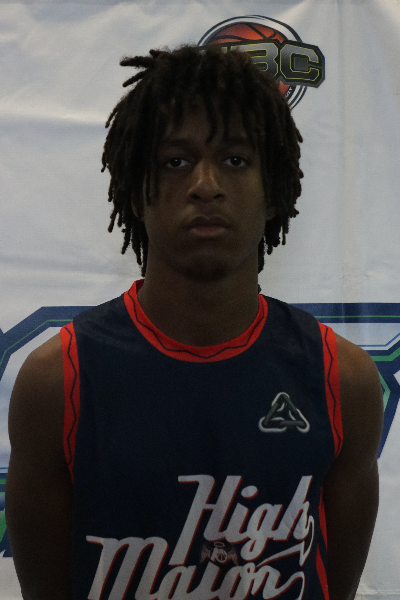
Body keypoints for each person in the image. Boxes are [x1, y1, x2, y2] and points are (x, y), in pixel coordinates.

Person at [6, 44, 383, 600]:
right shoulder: (57, 382)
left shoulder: (342, 380)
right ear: (135, 191)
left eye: (236, 160)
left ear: (274, 191)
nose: (206, 184)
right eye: (175, 161)